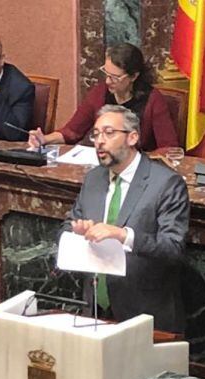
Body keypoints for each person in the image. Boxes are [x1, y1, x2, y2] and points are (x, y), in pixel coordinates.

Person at [61, 105, 189, 333]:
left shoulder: (166, 184)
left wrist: (124, 235)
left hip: (145, 314)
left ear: (132, 137)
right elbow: (67, 225)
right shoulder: (93, 179)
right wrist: (77, 231)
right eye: (96, 134)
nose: (99, 141)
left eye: (109, 133)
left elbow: (173, 248)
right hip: (95, 312)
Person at [30, 43, 178, 152]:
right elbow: (72, 131)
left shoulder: (153, 100)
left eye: (115, 77)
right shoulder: (100, 93)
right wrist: (45, 139)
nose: (107, 81)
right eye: (106, 74)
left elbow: (168, 148)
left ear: (133, 76)